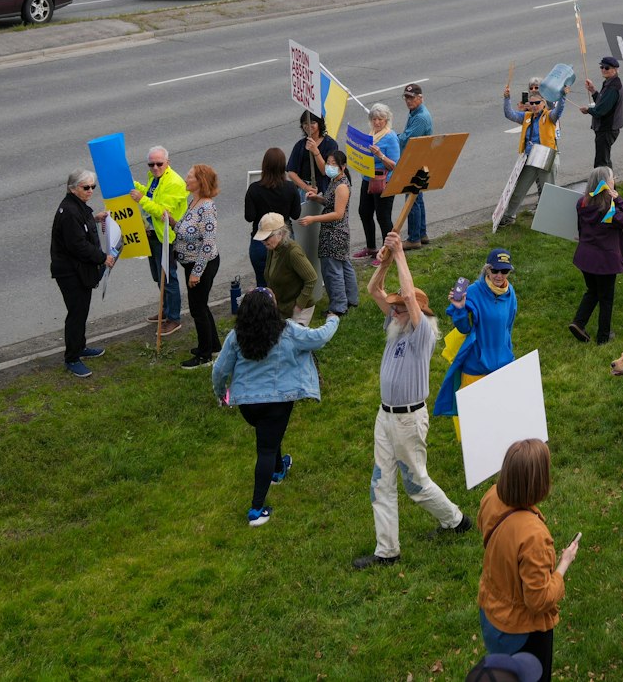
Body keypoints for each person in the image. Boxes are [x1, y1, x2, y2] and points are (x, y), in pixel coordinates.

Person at [354, 231, 470, 571]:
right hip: (385, 417)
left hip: (408, 420)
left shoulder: (422, 334)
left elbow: (407, 293)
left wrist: (400, 254)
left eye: (401, 308)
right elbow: (374, 290)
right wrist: (385, 261)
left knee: (415, 484)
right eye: (394, 308)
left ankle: (456, 520)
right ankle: (387, 551)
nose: (394, 311)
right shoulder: (395, 326)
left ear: (415, 311)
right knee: (381, 482)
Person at [211, 289, 341, 527]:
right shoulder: (288, 330)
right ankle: (256, 510)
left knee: (269, 437)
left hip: (248, 405)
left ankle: (279, 469)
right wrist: (333, 319)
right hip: (277, 403)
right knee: (266, 449)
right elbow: (319, 338)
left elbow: (219, 370)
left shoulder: (236, 335)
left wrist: (221, 394)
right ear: (272, 309)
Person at [477, 439, 577, 681]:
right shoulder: (533, 536)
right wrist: (564, 564)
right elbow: (538, 599)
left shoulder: (491, 496)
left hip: (491, 614)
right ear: (538, 482)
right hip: (521, 632)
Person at [435, 248, 521, 434]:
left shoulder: (510, 292)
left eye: (504, 271)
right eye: (495, 270)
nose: (499, 275)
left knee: (501, 425)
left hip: (502, 366)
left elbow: (508, 327)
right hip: (476, 368)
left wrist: (508, 353)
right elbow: (464, 328)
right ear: (487, 269)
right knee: (476, 427)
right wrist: (459, 309)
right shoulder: (473, 292)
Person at [50, 169, 116, 377]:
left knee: (81, 311)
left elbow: (80, 228)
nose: (90, 191)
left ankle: (80, 347)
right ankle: (72, 358)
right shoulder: (70, 212)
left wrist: (94, 219)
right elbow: (77, 244)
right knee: (76, 314)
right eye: (85, 187)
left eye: (93, 187)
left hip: (77, 270)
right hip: (70, 272)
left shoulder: (77, 207)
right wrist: (102, 257)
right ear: (72, 188)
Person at [569, 167, 623, 345]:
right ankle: (603, 337)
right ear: (606, 183)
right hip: (605, 261)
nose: (614, 179)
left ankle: (579, 323)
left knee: (592, 291)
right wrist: (618, 199)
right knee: (606, 298)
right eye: (612, 177)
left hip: (585, 256)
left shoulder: (582, 203)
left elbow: (581, 226)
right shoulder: (609, 208)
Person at [136, 145, 190, 337]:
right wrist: (133, 186)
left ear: (168, 162)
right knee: (158, 276)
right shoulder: (155, 178)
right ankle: (166, 311)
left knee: (168, 278)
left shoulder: (174, 182)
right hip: (153, 234)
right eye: (151, 164)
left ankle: (174, 319)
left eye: (159, 164)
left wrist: (140, 199)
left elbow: (163, 213)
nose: (155, 167)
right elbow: (151, 195)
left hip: (166, 237)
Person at [175, 163, 223, 368]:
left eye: (190, 177)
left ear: (200, 182)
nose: (186, 180)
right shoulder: (194, 201)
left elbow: (208, 243)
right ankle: (214, 346)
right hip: (192, 263)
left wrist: (196, 273)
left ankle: (204, 356)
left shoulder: (207, 208)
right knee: (201, 306)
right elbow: (188, 230)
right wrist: (171, 222)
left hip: (201, 265)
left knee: (197, 309)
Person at [503, 72, 568, 221]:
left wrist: (563, 96)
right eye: (531, 104)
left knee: (548, 191)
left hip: (546, 157)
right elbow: (509, 114)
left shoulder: (549, 116)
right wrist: (507, 98)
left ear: (544, 103)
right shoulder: (526, 116)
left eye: (537, 103)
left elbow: (559, 111)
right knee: (519, 190)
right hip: (530, 157)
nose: (534, 106)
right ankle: (508, 216)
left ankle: (550, 220)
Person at [298, 145, 353, 316]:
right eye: (328, 163)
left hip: (334, 234)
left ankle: (338, 307)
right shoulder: (334, 181)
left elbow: (337, 213)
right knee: (343, 267)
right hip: (336, 233)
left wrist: (313, 219)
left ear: (343, 167)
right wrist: (317, 198)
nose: (329, 166)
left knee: (332, 271)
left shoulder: (341, 186)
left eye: (333, 164)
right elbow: (330, 202)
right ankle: (351, 299)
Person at [245, 146, 303, 291]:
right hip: (284, 238)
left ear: (264, 166)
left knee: (262, 283)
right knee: (286, 282)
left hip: (260, 241)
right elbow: (296, 214)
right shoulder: (291, 188)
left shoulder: (254, 189)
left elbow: (249, 217)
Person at [356, 104, 402, 260]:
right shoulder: (371, 134)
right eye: (374, 119)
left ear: (386, 120)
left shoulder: (390, 137)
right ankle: (371, 248)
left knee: (383, 217)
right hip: (368, 179)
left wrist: (380, 155)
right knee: (364, 212)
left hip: (384, 182)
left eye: (380, 119)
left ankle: (387, 252)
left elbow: (394, 165)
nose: (377, 122)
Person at [286, 110, 330, 273]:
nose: (308, 126)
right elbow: (291, 172)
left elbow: (326, 171)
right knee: (303, 228)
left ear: (319, 124)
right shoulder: (300, 145)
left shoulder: (329, 144)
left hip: (323, 190)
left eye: (312, 122)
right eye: (305, 123)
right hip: (303, 191)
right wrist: (305, 187)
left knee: (320, 228)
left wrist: (315, 152)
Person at [255, 212, 319, 324]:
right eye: (262, 238)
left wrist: (299, 305)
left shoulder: (293, 252)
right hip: (283, 307)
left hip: (299, 310)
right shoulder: (272, 248)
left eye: (267, 237)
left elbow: (312, 278)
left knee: (293, 336)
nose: (263, 242)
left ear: (280, 233)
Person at [401, 83, 434, 248]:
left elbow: (406, 140)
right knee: (417, 197)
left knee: (411, 199)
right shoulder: (416, 112)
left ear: (420, 98)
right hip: (419, 159)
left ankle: (414, 238)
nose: (408, 101)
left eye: (412, 98)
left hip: (415, 161)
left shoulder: (420, 117)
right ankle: (421, 233)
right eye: (406, 97)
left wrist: (390, 136)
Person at [581, 55, 623, 170]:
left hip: (607, 128)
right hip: (606, 128)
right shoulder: (609, 83)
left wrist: (588, 110)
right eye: (602, 67)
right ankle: (610, 181)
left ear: (615, 70)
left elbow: (601, 111)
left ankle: (604, 181)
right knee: (605, 159)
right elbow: (602, 102)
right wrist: (593, 91)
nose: (603, 70)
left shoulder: (613, 87)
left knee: (601, 163)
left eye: (607, 68)